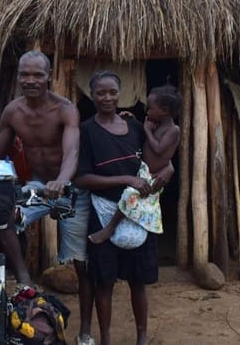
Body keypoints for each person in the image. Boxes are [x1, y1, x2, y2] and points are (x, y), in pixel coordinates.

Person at [0, 50, 96, 345]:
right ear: (18, 75)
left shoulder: (65, 109)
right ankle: (24, 279)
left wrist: (61, 180)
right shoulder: (13, 112)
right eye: (25, 74)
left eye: (37, 75)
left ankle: (85, 329)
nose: (30, 80)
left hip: (69, 189)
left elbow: (71, 151)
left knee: (82, 263)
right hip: (36, 186)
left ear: (49, 76)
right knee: (4, 218)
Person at [73, 71, 174, 345]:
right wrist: (126, 178)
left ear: (121, 94)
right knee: (104, 281)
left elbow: (158, 158)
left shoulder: (136, 127)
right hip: (103, 209)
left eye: (112, 92)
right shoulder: (86, 131)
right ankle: (105, 337)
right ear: (91, 96)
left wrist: (170, 168)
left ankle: (142, 337)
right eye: (101, 93)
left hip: (138, 213)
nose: (107, 98)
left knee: (137, 281)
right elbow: (81, 178)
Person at [88, 85, 180, 245]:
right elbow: (146, 141)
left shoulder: (174, 130)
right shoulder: (157, 124)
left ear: (164, 110)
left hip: (153, 174)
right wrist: (135, 121)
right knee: (132, 196)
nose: (148, 112)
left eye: (150, 109)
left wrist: (147, 129)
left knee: (130, 195)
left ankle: (109, 228)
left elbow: (158, 149)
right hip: (144, 170)